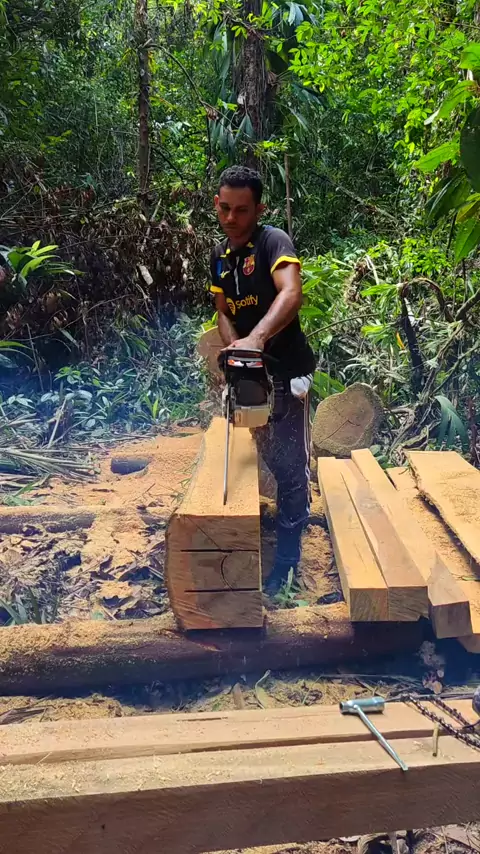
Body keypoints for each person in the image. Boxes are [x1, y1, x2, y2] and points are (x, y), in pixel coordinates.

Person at [210, 165, 316, 591]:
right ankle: (289, 512)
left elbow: (291, 292)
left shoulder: (274, 242)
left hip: (287, 370)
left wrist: (257, 338)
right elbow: (222, 312)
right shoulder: (220, 256)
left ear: (259, 209)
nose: (231, 218)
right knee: (267, 449)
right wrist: (236, 347)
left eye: (241, 210)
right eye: (225, 208)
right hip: (251, 374)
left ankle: (288, 561)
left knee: (289, 464)